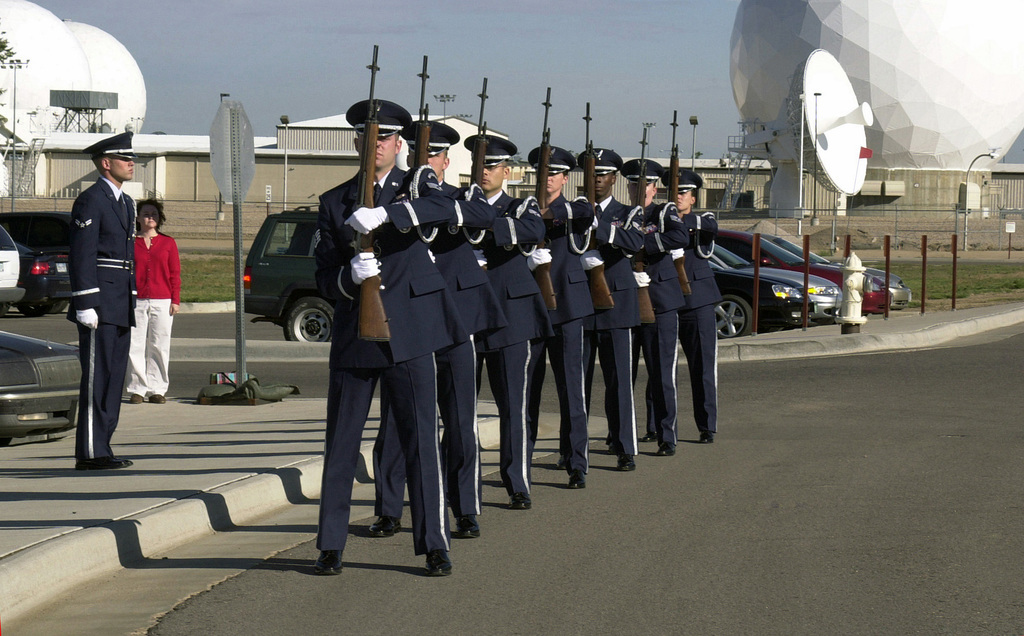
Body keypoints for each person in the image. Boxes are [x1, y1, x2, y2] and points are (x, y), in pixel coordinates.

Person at [313, 99, 468, 577]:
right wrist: (348, 277)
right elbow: (321, 276)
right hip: (358, 334)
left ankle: (433, 541)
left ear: (398, 143)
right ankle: (331, 544)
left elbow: (447, 207)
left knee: (421, 438)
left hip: (412, 332)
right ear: (357, 141)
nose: (375, 143)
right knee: (341, 442)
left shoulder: (417, 186)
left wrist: (388, 216)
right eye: (367, 136)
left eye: (384, 137)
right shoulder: (333, 200)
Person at [369, 121, 504, 541]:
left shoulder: (458, 198)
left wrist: (441, 205)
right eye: (421, 153)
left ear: (447, 161)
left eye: (436, 155)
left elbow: (488, 217)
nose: (427, 162)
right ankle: (389, 509)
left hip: (454, 321)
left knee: (460, 418)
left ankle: (465, 508)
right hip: (409, 319)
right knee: (396, 419)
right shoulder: (389, 199)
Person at [469, 133, 552, 510]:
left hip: (511, 318)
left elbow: (535, 231)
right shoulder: (455, 203)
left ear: (507, 171)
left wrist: (483, 226)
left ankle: (517, 481)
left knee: (513, 406)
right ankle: (463, 483)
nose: (484, 172)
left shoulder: (521, 206)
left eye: (492, 166)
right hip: (466, 314)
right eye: (479, 165)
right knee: (459, 407)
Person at [525, 145, 595, 489]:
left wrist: (547, 216)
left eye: (553, 173)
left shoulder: (575, 207)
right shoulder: (520, 208)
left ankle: (575, 460)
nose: (547, 178)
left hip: (567, 307)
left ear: (565, 178)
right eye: (541, 172)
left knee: (572, 388)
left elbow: (584, 216)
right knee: (528, 391)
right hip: (532, 307)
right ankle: (522, 460)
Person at [68, 131, 138, 470]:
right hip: (99, 303)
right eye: (126, 159)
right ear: (106, 163)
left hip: (120, 301)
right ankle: (91, 452)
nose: (132, 163)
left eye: (132, 158)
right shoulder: (91, 200)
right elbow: (82, 254)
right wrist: (85, 302)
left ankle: (103, 446)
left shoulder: (126, 202)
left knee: (113, 378)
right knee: (97, 378)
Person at [578, 148, 645, 471]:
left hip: (616, 305)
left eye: (603, 174)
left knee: (619, 380)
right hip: (580, 304)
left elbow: (634, 243)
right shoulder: (573, 209)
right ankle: (574, 448)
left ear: (614, 179)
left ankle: (624, 445)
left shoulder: (628, 212)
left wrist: (599, 227)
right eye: (593, 173)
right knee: (578, 382)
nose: (597, 179)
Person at [623, 159, 690, 457]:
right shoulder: (620, 214)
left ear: (655, 188)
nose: (639, 189)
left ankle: (666, 434)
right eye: (634, 184)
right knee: (622, 375)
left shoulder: (664, 212)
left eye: (645, 184)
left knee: (662, 372)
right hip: (624, 299)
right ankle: (621, 435)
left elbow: (680, 236)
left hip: (659, 300)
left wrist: (643, 242)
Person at [666, 169, 722, 443]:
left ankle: (707, 425)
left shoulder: (702, 219)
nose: (678, 196)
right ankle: (658, 426)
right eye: (674, 192)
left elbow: (711, 227)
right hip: (664, 298)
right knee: (662, 369)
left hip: (697, 301)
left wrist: (678, 223)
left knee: (702, 367)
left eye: (683, 192)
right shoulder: (659, 218)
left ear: (693, 196)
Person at [126, 199, 181, 405]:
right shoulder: (131, 242)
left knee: (159, 344)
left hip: (162, 300)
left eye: (155, 214)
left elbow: (175, 273)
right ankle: (137, 388)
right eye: (147, 214)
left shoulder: (168, 243)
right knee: (135, 344)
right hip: (136, 300)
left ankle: (157, 388)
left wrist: (175, 299)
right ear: (138, 218)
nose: (151, 217)